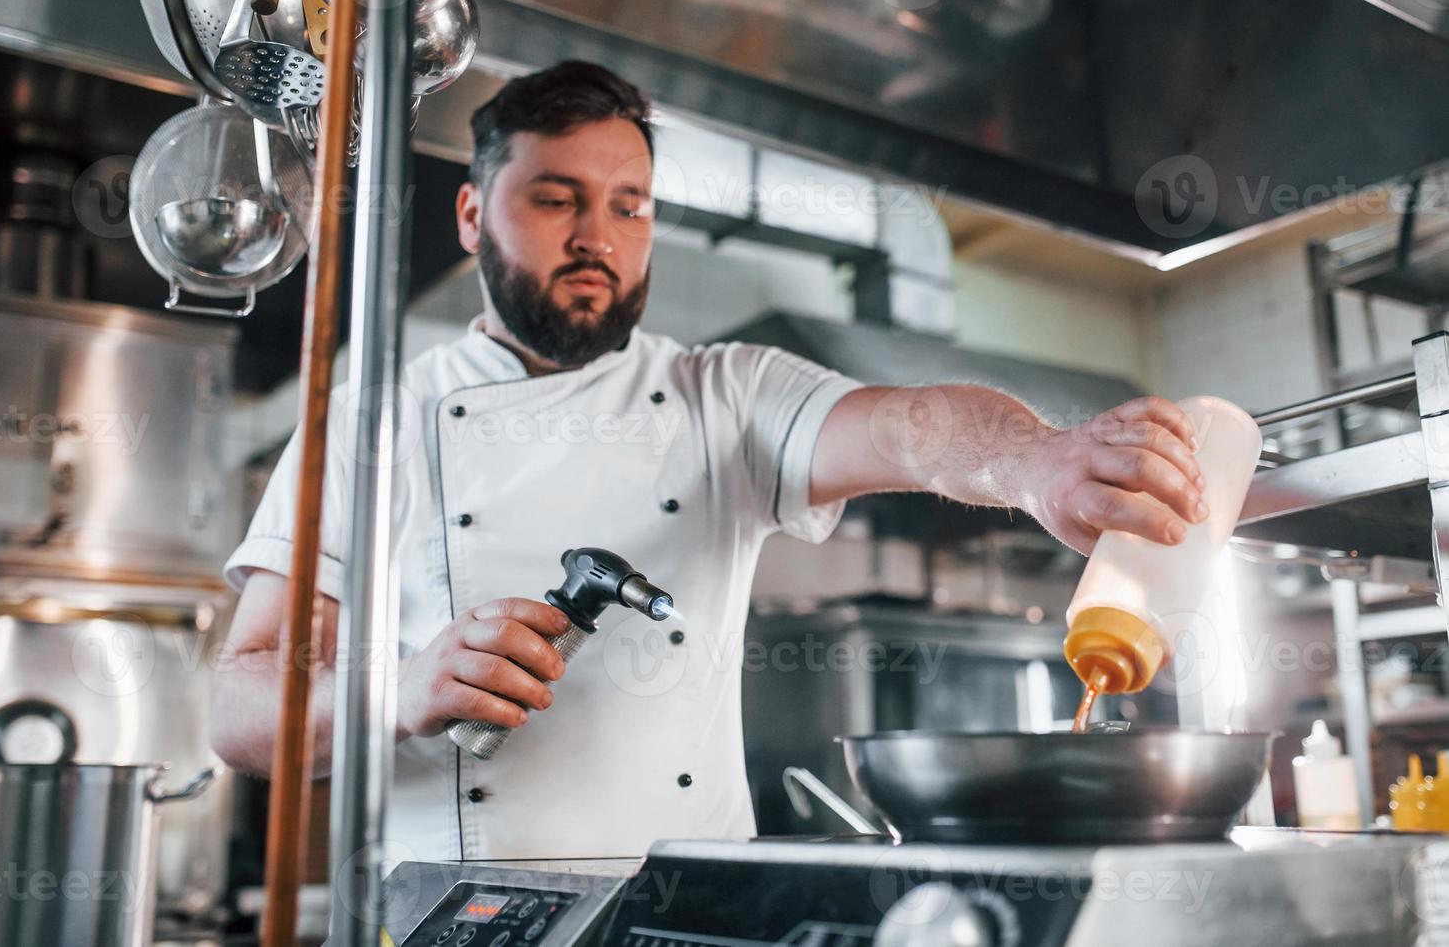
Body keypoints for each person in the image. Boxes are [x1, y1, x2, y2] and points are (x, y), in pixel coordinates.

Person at [211, 60, 1207, 862]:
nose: (598, 237)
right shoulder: (372, 416)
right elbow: (240, 703)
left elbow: (910, 424)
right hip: (466, 914)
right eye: (557, 199)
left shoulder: (722, 391)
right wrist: (404, 685)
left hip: (694, 902)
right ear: (473, 215)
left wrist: (1035, 461)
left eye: (630, 204)